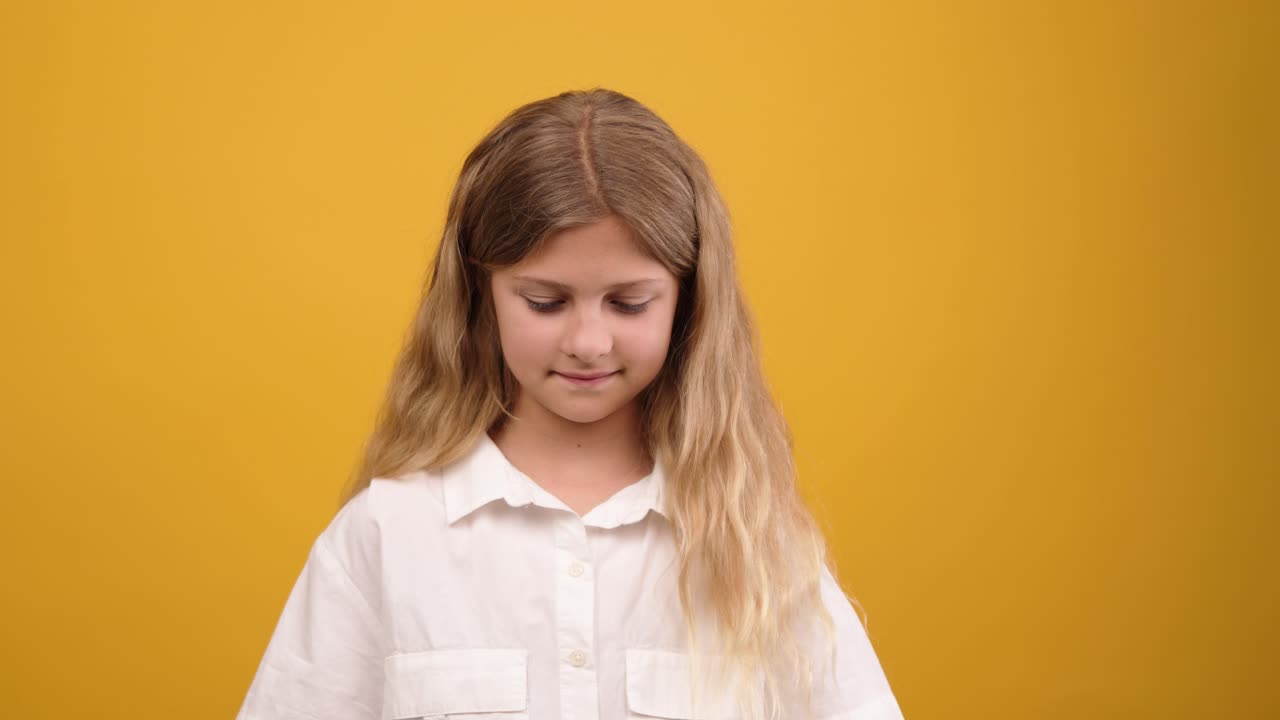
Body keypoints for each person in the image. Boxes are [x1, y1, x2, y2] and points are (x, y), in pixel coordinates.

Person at [236, 88, 904, 720]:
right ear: (479, 294)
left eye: (629, 304)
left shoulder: (756, 548)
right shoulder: (387, 534)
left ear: (688, 301)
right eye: (545, 302)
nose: (588, 342)